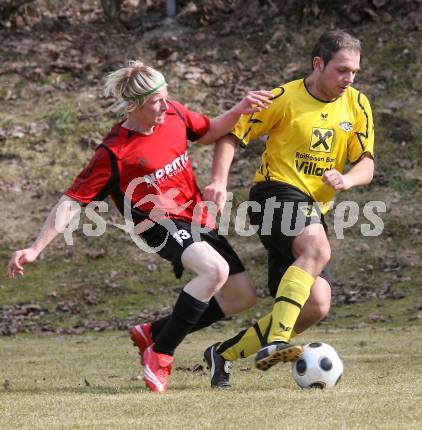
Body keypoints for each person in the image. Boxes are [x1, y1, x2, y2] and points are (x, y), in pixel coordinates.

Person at [5, 60, 273, 393]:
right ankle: (160, 354)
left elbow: (209, 132)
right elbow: (72, 201)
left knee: (240, 297)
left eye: (165, 96)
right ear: (134, 105)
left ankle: (154, 333)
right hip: (157, 224)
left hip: (195, 218)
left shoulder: (172, 114)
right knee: (215, 270)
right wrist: (35, 248)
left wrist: (240, 108)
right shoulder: (115, 152)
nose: (166, 104)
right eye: (156, 101)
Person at [202, 29, 375, 387]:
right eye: (342, 70)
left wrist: (348, 179)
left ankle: (222, 354)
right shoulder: (283, 98)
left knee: (316, 305)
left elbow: (367, 164)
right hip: (273, 194)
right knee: (316, 248)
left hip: (314, 207)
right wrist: (219, 181)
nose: (349, 78)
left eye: (354, 72)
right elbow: (231, 135)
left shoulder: (357, 105)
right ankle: (278, 340)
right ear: (318, 63)